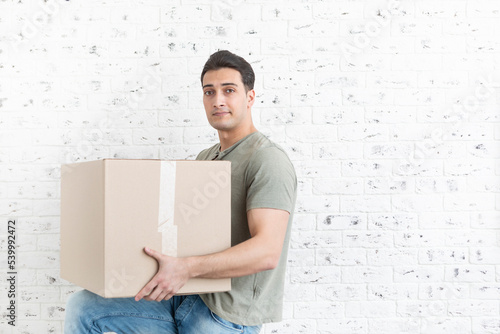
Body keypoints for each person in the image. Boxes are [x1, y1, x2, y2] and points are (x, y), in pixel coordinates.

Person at [64, 50, 297, 333]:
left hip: (225, 317)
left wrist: (187, 268)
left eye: (229, 90)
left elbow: (267, 252)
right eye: (209, 92)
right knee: (83, 308)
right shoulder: (206, 158)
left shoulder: (267, 159)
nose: (218, 100)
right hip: (185, 295)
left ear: (250, 97)